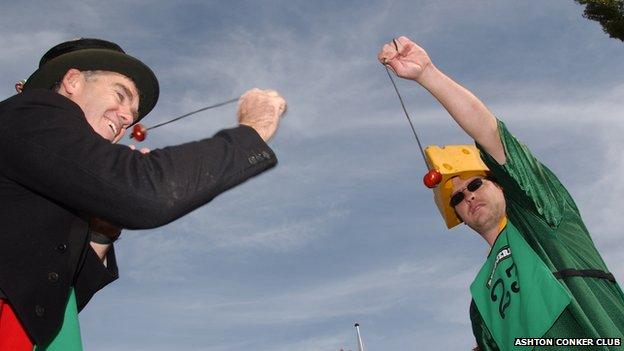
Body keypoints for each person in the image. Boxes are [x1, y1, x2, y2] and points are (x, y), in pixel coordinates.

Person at [0, 38, 286, 349]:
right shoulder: (33, 111)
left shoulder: (51, 170)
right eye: (119, 95)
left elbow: (53, 302)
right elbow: (148, 193)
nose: (126, 117)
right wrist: (252, 132)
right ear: (72, 81)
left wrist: (102, 232)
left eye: (133, 116)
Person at [378, 36, 624, 350]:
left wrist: (427, 73)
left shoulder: (543, 214)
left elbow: (490, 132)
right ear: (460, 219)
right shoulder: (482, 301)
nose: (466, 196)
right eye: (456, 199)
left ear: (500, 184)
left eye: (474, 184)